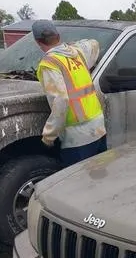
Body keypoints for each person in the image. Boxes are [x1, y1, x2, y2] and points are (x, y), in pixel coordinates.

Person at [32, 19, 107, 166]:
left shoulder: (49, 63)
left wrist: (48, 136)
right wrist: (71, 45)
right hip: (98, 127)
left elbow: (61, 101)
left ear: (38, 42)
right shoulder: (77, 53)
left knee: (77, 184)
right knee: (99, 177)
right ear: (58, 36)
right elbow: (94, 44)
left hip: (77, 137)